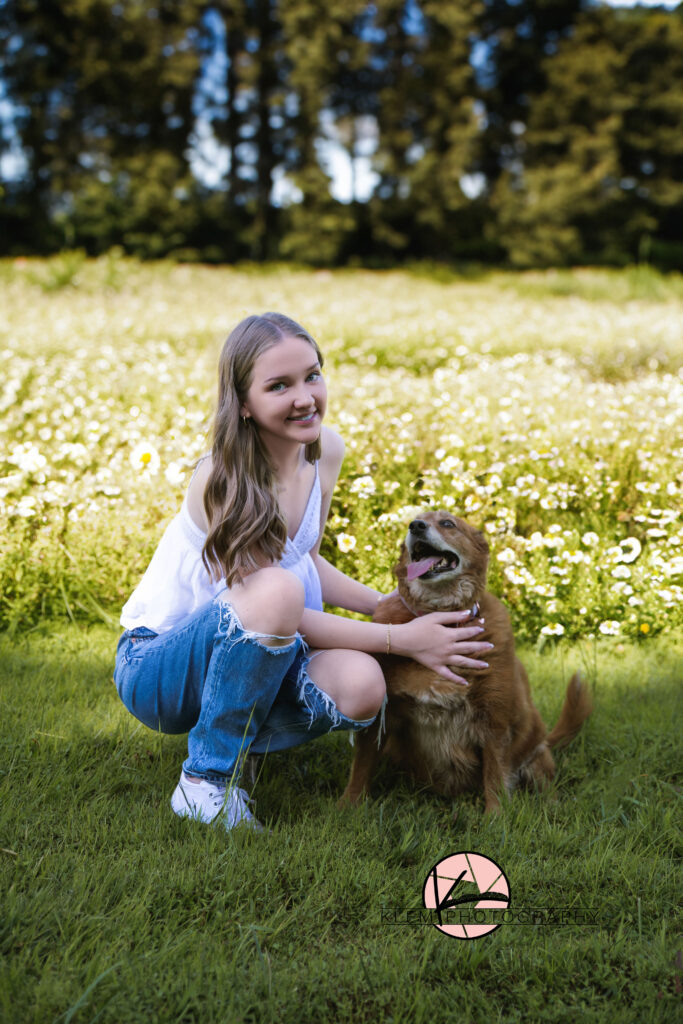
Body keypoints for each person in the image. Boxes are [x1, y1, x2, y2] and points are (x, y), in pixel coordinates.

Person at [113, 312, 492, 832]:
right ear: (243, 404)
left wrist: (392, 605)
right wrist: (402, 637)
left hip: (260, 638)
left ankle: (237, 736)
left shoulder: (324, 452)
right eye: (278, 386)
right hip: (161, 666)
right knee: (275, 593)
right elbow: (277, 599)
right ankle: (205, 779)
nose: (304, 397)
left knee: (362, 686)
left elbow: (304, 559)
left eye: (312, 375)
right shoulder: (222, 479)